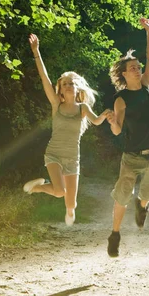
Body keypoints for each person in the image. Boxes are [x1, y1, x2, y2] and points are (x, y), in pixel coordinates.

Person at [23, 33, 111, 226]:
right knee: (59, 191)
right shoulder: (57, 105)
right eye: (65, 84)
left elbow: (96, 122)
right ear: (60, 90)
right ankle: (36, 188)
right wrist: (36, 52)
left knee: (71, 204)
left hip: (73, 158)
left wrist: (105, 115)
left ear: (77, 87)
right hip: (54, 154)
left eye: (72, 83)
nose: (69, 86)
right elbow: (45, 79)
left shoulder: (83, 108)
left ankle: (67, 207)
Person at [105, 17, 149, 257]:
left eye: (138, 66)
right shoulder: (121, 99)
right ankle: (115, 234)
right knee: (123, 195)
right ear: (124, 73)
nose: (138, 68)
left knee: (147, 193)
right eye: (133, 67)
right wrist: (112, 122)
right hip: (131, 157)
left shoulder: (147, 84)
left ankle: (142, 207)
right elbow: (118, 130)